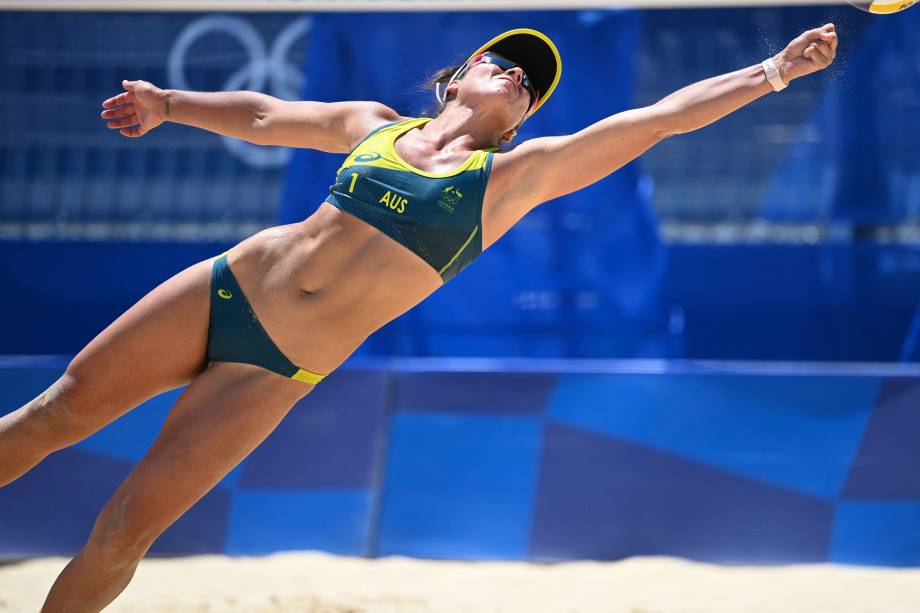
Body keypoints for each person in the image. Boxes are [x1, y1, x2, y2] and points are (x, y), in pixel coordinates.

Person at [0, 24, 837, 612]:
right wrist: (167, 102)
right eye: (504, 63)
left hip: (278, 367)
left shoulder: (515, 177)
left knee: (123, 530)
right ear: (461, 74)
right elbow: (260, 116)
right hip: (227, 287)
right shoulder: (371, 126)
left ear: (523, 120)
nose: (516, 77)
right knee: (54, 414)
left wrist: (774, 73)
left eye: (530, 84)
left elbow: (658, 119)